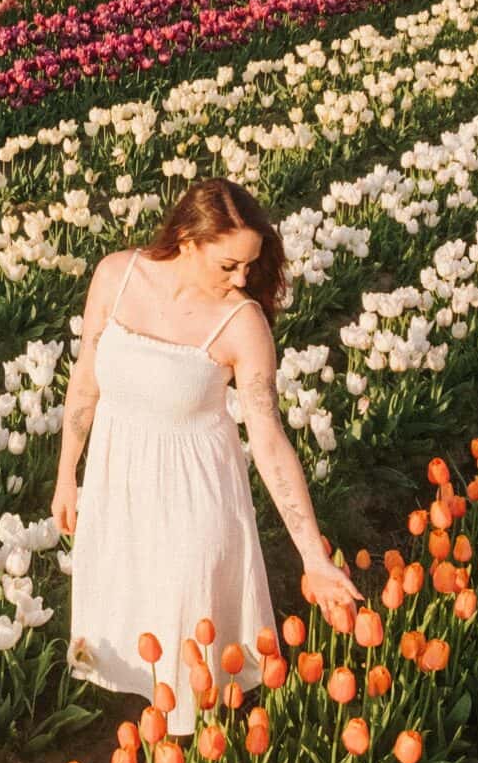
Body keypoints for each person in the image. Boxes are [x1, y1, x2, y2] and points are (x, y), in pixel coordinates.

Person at [56, 179, 362, 734]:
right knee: (138, 631)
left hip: (193, 504)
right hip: (118, 491)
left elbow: (268, 439)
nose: (242, 279)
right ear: (188, 241)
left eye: (250, 265)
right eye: (229, 265)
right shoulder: (116, 276)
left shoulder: (242, 324)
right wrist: (65, 475)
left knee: (186, 653)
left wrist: (313, 557)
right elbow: (84, 383)